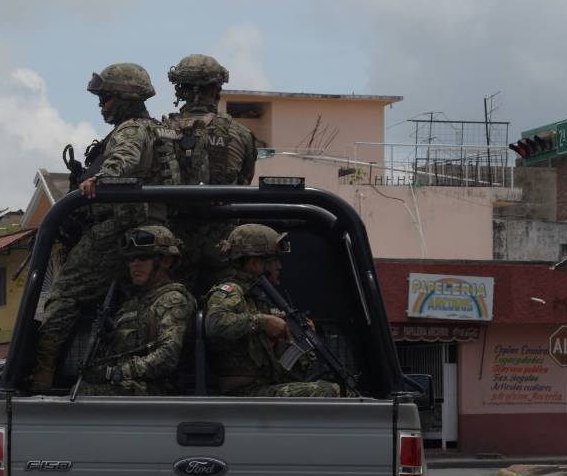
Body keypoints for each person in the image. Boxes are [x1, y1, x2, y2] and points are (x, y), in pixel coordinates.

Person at [30, 63, 182, 393]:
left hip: (122, 228)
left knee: (64, 294)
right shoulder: (162, 131)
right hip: (156, 228)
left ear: (126, 98)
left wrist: (100, 179)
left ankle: (41, 376)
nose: (102, 105)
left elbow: (122, 163)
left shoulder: (130, 131)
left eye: (107, 98)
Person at [204, 223, 340, 397]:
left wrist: (298, 339)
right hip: (241, 393)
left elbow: (289, 369)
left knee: (334, 388)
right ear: (254, 263)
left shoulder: (260, 298)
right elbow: (215, 323)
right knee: (329, 391)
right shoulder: (232, 291)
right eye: (274, 260)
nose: (279, 266)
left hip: (262, 388)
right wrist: (262, 322)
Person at [164, 54, 260, 291]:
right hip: (223, 245)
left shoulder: (159, 131)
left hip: (171, 247)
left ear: (180, 90)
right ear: (216, 89)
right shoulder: (241, 134)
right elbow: (244, 181)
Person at [78, 226, 194, 396]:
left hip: (160, 391)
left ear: (166, 261)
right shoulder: (131, 303)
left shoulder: (172, 299)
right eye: (131, 259)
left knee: (86, 393)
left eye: (143, 257)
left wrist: (116, 372)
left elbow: (167, 357)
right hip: (132, 388)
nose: (135, 264)